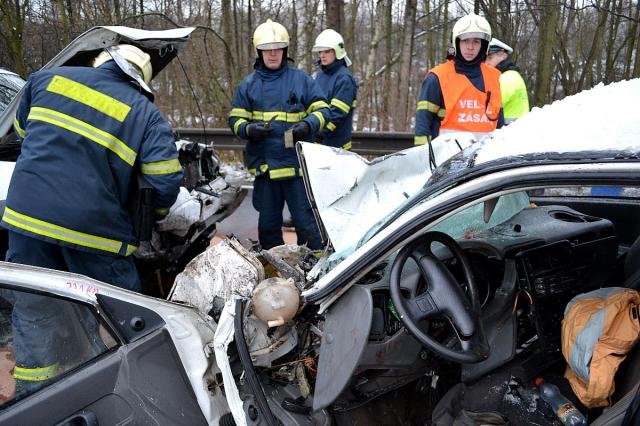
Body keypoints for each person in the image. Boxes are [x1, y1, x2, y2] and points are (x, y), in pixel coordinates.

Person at [3, 44, 183, 396]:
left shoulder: (46, 80)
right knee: (118, 314)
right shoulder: (144, 113)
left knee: (35, 309)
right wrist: (151, 218)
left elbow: (23, 132)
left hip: (27, 219)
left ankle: (36, 397)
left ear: (99, 63)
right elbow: (164, 179)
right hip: (95, 232)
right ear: (141, 82)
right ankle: (123, 390)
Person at [228, 19, 330, 250]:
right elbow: (235, 120)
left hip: (296, 169)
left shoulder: (301, 79)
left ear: (284, 51)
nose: (273, 54)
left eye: (277, 49)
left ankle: (314, 273)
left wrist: (308, 125)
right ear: (259, 52)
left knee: (307, 226)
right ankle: (275, 276)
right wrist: (248, 129)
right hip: (266, 170)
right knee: (268, 229)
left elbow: (324, 110)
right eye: (267, 50)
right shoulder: (248, 85)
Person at [414, 13, 504, 146]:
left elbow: (500, 124)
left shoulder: (495, 77)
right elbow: (423, 123)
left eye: (476, 41)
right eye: (465, 40)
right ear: (456, 42)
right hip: (446, 159)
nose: (470, 47)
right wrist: (424, 158)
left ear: (484, 45)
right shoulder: (437, 77)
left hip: (485, 160)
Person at [311, 29, 357, 150]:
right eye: (320, 51)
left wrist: (320, 133)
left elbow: (338, 113)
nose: (322, 55)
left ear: (337, 52)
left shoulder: (344, 78)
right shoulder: (319, 75)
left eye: (326, 51)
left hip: (337, 148)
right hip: (319, 145)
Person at [486, 38, 530, 124]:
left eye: (490, 58)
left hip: (509, 131)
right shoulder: (511, 75)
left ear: (503, 56)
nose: (486, 62)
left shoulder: (508, 77)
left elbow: (492, 104)